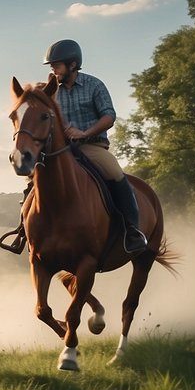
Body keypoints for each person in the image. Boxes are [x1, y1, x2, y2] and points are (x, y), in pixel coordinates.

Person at [43, 38, 148, 253]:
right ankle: (25, 229)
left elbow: (109, 116)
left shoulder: (94, 85)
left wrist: (85, 133)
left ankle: (132, 230)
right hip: (62, 150)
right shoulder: (52, 90)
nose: (53, 68)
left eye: (57, 64)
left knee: (115, 172)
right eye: (51, 65)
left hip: (92, 146)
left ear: (72, 65)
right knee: (35, 175)